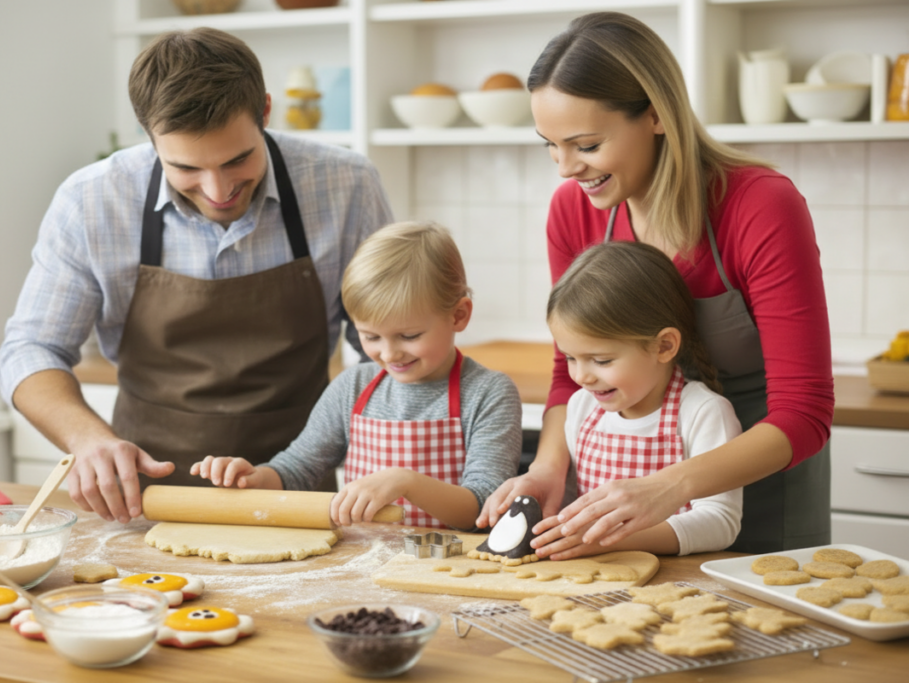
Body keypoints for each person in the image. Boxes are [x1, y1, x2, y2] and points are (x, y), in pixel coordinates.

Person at [0, 28, 393, 524]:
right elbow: (30, 349)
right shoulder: (91, 201)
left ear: (265, 110)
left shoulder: (346, 185)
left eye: (238, 159)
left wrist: (387, 452)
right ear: (148, 135)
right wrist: (88, 440)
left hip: (298, 494)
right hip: (143, 501)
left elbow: (383, 342)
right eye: (186, 168)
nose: (219, 189)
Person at [478, 11, 833, 555]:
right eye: (550, 145)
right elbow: (565, 370)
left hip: (762, 482)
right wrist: (549, 468)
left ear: (657, 116)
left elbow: (804, 411)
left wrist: (670, 486)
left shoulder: (759, 205)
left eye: (587, 145)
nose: (565, 168)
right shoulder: (574, 212)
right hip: (624, 508)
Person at [191, 221, 523, 530]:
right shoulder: (354, 386)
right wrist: (253, 478)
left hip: (446, 572)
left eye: (409, 336)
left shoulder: (488, 393)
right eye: (371, 337)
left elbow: (482, 508)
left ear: (459, 315)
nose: (389, 354)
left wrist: (405, 481)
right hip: (361, 567)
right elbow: (297, 470)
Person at [532, 241, 742, 558]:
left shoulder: (703, 412)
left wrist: (617, 539)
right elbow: (578, 503)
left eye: (601, 361)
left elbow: (720, 521)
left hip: (676, 583)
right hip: (593, 578)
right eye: (570, 358)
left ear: (664, 346)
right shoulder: (582, 407)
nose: (581, 376)